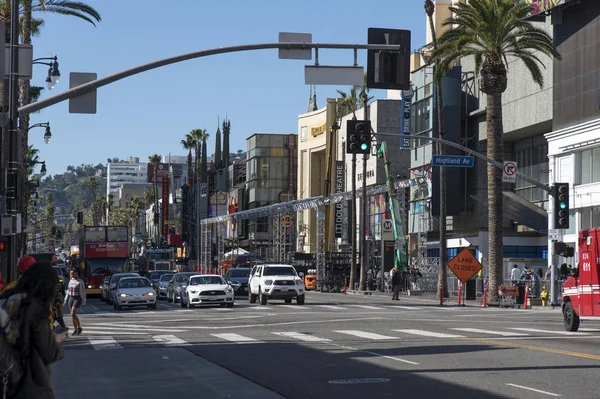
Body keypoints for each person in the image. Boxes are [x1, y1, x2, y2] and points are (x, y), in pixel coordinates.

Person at [0, 261, 66, 398]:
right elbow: (48, 352)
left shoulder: (6, 298)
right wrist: (56, 339)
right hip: (26, 384)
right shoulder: (35, 308)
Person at [63, 267, 86, 336]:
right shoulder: (71, 281)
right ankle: (75, 329)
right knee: (72, 315)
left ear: (77, 273)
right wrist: (65, 301)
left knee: (73, 313)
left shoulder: (80, 282)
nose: (72, 275)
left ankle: (79, 328)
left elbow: (83, 292)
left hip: (77, 298)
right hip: (71, 298)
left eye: (73, 273)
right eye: (71, 274)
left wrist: (84, 301)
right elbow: (68, 291)